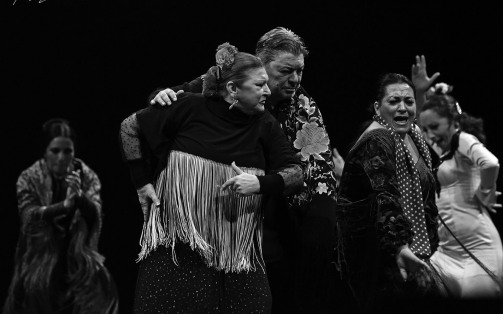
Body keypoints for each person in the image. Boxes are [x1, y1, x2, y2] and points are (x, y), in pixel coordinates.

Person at [149, 27, 337, 313]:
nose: (295, 79)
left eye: (300, 71)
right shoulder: (221, 81)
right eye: (287, 71)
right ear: (260, 63)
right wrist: (160, 95)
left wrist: (319, 229)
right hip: (213, 216)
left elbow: (319, 173)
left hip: (273, 224)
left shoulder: (302, 104)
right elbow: (167, 100)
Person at [119, 43, 303, 313]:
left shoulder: (265, 125)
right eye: (259, 85)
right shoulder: (189, 107)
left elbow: (296, 174)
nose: (267, 91)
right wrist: (141, 183)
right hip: (179, 249)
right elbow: (129, 127)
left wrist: (260, 184)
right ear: (233, 89)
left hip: (235, 256)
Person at [336, 73, 444, 313]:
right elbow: (386, 197)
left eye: (409, 101)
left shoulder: (413, 135)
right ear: (378, 107)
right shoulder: (376, 140)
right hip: (379, 260)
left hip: (412, 252)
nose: (402, 108)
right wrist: (400, 247)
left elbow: (427, 194)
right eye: (394, 101)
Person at [412, 55, 503, 298]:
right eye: (427, 129)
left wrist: (485, 192)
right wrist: (420, 93)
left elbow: (490, 163)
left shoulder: (462, 139)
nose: (429, 134)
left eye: (436, 127)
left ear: (453, 122)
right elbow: (423, 121)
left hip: (477, 246)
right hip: (448, 252)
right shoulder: (445, 149)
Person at [3, 118, 119, 314]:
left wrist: (80, 197)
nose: (61, 157)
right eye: (55, 151)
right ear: (45, 153)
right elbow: (28, 215)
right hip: (40, 255)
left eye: (68, 151)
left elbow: (96, 214)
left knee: (103, 290)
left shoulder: (86, 176)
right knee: (33, 292)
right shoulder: (29, 177)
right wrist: (63, 206)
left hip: (77, 254)